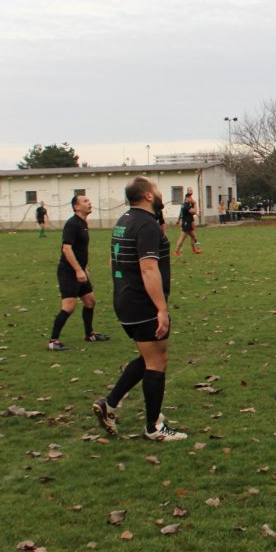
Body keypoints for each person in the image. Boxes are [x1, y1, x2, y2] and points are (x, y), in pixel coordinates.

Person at [92, 176, 187, 442]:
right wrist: (161, 308)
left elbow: (116, 262)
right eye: (156, 190)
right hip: (142, 303)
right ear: (147, 195)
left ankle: (109, 404)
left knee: (147, 357)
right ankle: (154, 428)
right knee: (157, 360)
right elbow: (148, 267)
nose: (159, 194)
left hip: (124, 299)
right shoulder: (145, 225)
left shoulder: (124, 220)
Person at [47, 195, 110, 351]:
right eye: (85, 201)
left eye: (89, 200)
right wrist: (77, 270)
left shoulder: (83, 223)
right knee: (69, 306)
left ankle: (90, 334)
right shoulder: (72, 224)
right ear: (76, 207)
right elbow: (66, 249)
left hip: (80, 270)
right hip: (69, 272)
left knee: (90, 301)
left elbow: (80, 249)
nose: (90, 203)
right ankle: (53, 341)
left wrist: (84, 268)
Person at [173, 190, 201, 255]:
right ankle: (176, 252)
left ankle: (194, 250)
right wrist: (195, 203)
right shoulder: (186, 205)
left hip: (188, 222)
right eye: (190, 198)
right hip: (186, 223)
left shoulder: (186, 205)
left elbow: (192, 212)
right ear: (187, 198)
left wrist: (195, 212)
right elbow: (193, 211)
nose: (192, 199)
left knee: (193, 236)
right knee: (182, 238)